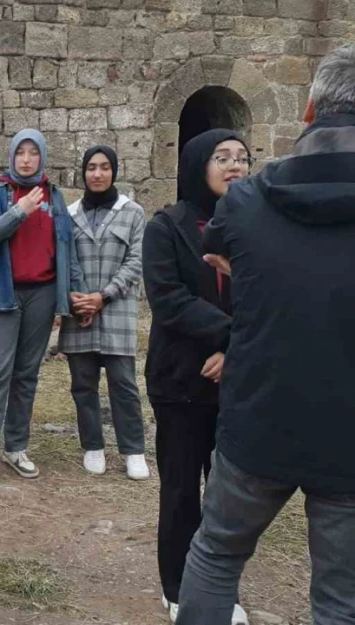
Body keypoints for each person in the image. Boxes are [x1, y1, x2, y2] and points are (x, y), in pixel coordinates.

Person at [177, 45, 355, 625]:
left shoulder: (248, 201)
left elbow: (220, 252)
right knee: (339, 598)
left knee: (216, 554)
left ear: (307, 111)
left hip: (261, 414)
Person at [142, 128, 250, 624]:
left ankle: (218, 590)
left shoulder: (255, 225)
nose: (234, 165)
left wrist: (235, 348)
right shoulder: (167, 226)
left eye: (242, 158)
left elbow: (272, 293)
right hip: (183, 380)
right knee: (183, 490)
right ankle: (178, 586)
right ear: (197, 164)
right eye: (221, 157)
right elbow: (168, 299)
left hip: (237, 380)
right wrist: (234, 333)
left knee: (228, 497)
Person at [0, 129, 85, 489]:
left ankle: (16, 447)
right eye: (21, 152)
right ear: (12, 156)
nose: (27, 159)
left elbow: (67, 248)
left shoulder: (55, 196)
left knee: (27, 373)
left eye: (34, 153)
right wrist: (19, 212)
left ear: (42, 157)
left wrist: (74, 293)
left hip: (43, 294)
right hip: (3, 292)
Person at [59, 146, 150, 481]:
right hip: (79, 310)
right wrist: (75, 299)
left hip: (116, 310)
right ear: (83, 173)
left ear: (114, 171)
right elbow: (63, 260)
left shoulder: (132, 212)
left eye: (104, 167)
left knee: (123, 384)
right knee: (82, 384)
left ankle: (133, 450)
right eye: (91, 168)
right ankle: (93, 445)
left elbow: (136, 261)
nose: (97, 174)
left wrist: (104, 296)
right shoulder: (69, 216)